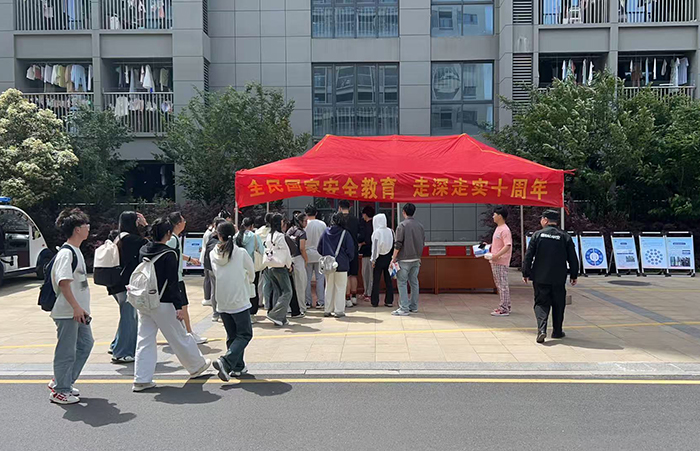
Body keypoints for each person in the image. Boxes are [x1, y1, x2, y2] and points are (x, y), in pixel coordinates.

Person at [134, 218, 211, 392]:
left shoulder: (144, 250)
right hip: (164, 302)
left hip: (145, 301)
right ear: (168, 233)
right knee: (179, 336)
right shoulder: (169, 254)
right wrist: (179, 306)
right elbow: (172, 282)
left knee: (145, 340)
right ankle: (196, 365)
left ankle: (141, 379)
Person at [48, 208, 93, 405]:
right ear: (77, 229)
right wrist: (75, 307)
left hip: (77, 311)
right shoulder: (66, 253)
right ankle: (60, 389)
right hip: (68, 312)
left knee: (85, 344)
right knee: (66, 351)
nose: (88, 228)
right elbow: (64, 283)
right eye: (86, 225)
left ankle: (62, 381)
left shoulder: (75, 251)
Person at [522, 209, 579, 344]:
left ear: (545, 220)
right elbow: (573, 258)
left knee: (541, 303)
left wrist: (526, 272)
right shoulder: (565, 236)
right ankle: (557, 331)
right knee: (559, 304)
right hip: (558, 277)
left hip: (540, 276)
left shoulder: (537, 235)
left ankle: (542, 330)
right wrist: (574, 274)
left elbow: (528, 256)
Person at [211, 221, 255, 382]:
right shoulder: (240, 253)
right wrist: (247, 280)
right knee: (245, 334)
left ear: (219, 235)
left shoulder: (213, 253)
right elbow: (252, 272)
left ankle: (237, 367)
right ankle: (226, 361)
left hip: (222, 299)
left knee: (232, 335)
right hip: (239, 299)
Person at [107, 211, 148, 364]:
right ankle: (121, 353)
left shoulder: (117, 236)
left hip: (115, 283)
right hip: (127, 284)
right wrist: (146, 226)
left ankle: (116, 345)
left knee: (127, 315)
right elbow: (151, 245)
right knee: (129, 317)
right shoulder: (132, 239)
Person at [166, 212, 207, 344]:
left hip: (175, 278)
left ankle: (184, 332)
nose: (185, 223)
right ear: (178, 223)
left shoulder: (173, 238)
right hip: (176, 279)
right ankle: (189, 333)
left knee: (180, 307)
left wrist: (190, 259)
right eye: (183, 220)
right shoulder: (173, 239)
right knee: (183, 307)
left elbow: (176, 253)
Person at [318, 213, 355, 318]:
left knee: (329, 287)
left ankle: (327, 309)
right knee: (340, 287)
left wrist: (326, 256)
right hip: (342, 264)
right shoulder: (345, 233)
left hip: (328, 264)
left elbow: (319, 248)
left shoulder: (325, 232)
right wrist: (346, 259)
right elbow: (350, 251)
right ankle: (339, 310)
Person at [392, 203, 425, 316]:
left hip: (404, 259)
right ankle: (414, 306)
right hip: (416, 258)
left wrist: (393, 258)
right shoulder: (420, 226)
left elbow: (398, 244)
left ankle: (404, 308)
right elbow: (422, 242)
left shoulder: (402, 226)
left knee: (402, 283)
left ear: (404, 212)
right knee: (414, 282)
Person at [264, 213, 294, 326]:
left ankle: (281, 318)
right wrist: (289, 265)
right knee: (287, 292)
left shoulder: (269, 235)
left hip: (270, 266)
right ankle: (275, 315)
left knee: (277, 291)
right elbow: (286, 252)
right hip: (280, 267)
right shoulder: (280, 236)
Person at [484, 207, 514, 317]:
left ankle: (504, 308)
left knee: (502, 285)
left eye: (495, 214)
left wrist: (497, 255)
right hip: (496, 260)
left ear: (500, 216)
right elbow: (499, 244)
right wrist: (489, 247)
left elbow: (507, 245)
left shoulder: (505, 230)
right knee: (500, 284)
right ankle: (506, 305)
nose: (493, 216)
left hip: (501, 261)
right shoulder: (499, 228)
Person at [236, 217, 264, 322]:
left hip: (239, 267)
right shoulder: (255, 236)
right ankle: (252, 313)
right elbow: (261, 250)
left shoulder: (236, 236)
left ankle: (242, 311)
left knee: (241, 290)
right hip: (253, 267)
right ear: (252, 226)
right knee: (253, 289)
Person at [203, 218, 226, 322]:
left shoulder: (211, 236)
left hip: (210, 267)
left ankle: (215, 313)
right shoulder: (220, 240)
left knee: (214, 290)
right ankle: (220, 313)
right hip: (218, 268)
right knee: (220, 291)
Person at [304, 205, 326, 309]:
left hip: (306, 254)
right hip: (319, 254)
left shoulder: (304, 224)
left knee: (307, 279)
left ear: (305, 213)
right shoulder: (322, 224)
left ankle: (307, 302)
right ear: (316, 213)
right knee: (320, 279)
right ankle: (321, 302)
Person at [338, 200, 360, 307]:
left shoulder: (338, 219)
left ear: (339, 208)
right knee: (354, 274)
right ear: (349, 208)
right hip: (354, 249)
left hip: (342, 250)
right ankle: (354, 297)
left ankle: (347, 298)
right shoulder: (355, 219)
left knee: (346, 274)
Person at [370, 213, 394, 308]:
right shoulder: (391, 231)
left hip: (379, 258)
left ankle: (375, 301)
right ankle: (389, 301)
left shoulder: (377, 232)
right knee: (388, 280)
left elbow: (375, 248)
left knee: (376, 280)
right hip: (389, 257)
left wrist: (373, 260)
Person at [287, 212, 309, 316]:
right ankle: (301, 307)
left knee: (291, 285)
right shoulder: (302, 233)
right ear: (300, 221)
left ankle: (290, 307)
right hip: (299, 258)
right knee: (301, 285)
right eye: (305, 221)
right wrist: (306, 259)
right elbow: (302, 248)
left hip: (290, 259)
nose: (306, 223)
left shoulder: (289, 231)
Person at [256, 214, 273, 310]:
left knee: (261, 282)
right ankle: (269, 303)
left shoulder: (258, 232)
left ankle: (260, 301)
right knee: (270, 283)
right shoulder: (273, 232)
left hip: (261, 258)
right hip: (271, 258)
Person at [358, 205, 375, 302]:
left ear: (365, 214)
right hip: (372, 252)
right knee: (368, 274)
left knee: (367, 274)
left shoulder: (367, 225)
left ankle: (368, 293)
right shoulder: (374, 224)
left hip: (367, 252)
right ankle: (367, 292)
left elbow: (367, 239)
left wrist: (362, 243)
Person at [201, 218, 216, 307]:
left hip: (206, 256)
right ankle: (207, 298)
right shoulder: (210, 233)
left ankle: (207, 297)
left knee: (208, 278)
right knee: (208, 279)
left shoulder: (209, 231)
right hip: (207, 257)